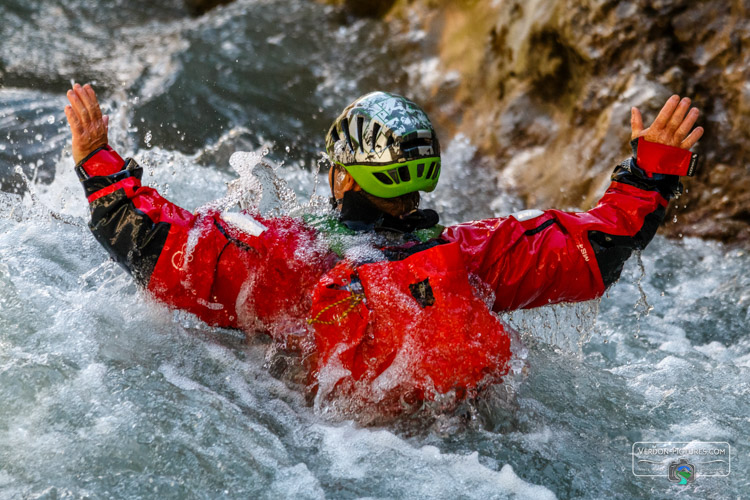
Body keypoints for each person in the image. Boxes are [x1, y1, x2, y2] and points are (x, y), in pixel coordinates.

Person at [64, 84, 703, 416]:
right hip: (474, 436)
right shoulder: (478, 255)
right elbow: (602, 247)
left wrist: (98, 162)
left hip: (339, 446)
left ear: (343, 176)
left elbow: (151, 241)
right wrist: (653, 169)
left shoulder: (295, 259)